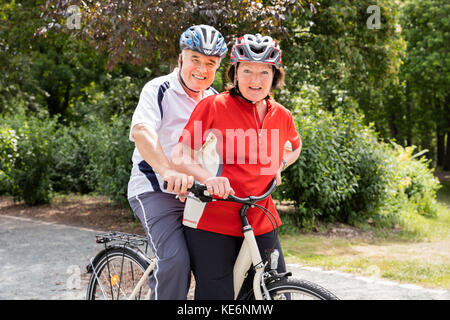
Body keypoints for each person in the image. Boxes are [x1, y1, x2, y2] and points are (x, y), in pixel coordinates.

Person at [171, 33, 302, 299]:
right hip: (212, 219)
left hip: (261, 216)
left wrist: (281, 162)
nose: (256, 80)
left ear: (275, 76)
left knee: (274, 293)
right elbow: (180, 154)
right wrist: (208, 178)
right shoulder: (214, 106)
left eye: (264, 72)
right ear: (235, 73)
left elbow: (295, 146)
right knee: (217, 297)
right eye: (248, 71)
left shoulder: (282, 114)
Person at [127, 25, 228, 300]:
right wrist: (168, 170)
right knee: (175, 261)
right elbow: (142, 132)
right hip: (154, 190)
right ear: (180, 58)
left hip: (196, 194)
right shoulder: (159, 88)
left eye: (210, 63)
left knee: (218, 261)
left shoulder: (215, 100)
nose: (202, 69)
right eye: (195, 59)